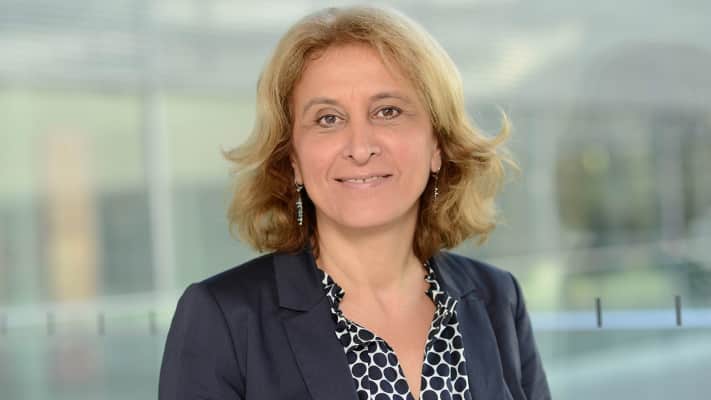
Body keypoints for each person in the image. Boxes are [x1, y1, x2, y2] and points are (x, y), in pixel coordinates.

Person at [159, 6, 550, 400]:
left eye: (388, 111)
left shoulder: (498, 298)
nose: (360, 148)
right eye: (328, 119)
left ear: (437, 145)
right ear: (293, 159)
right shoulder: (224, 319)